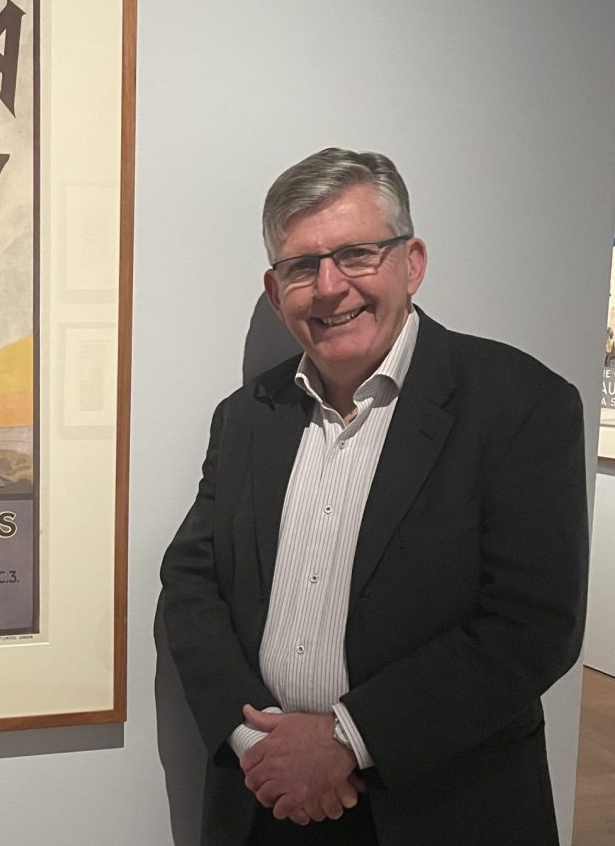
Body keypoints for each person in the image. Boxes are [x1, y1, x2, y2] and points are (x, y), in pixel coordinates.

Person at [160, 148, 587, 845]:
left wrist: (343, 741)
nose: (329, 287)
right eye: (302, 266)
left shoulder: (520, 403)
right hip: (262, 804)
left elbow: (532, 624)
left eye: (357, 254)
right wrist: (253, 745)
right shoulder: (244, 417)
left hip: (444, 805)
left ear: (411, 262)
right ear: (276, 291)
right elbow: (190, 582)